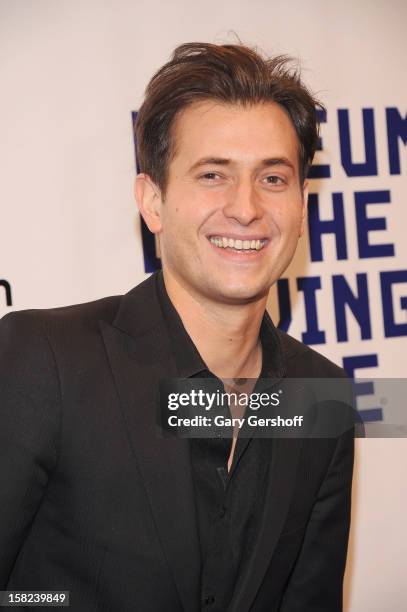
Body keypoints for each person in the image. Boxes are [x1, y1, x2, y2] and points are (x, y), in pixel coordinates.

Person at [0, 43, 354, 611]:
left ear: (302, 207)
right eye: (213, 175)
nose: (246, 208)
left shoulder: (322, 398)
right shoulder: (44, 362)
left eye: (273, 178)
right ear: (153, 201)